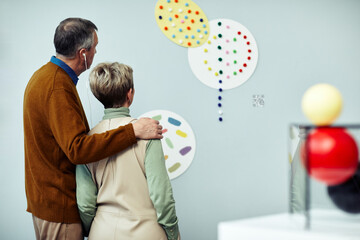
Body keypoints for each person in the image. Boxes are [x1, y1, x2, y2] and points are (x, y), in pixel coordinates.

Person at [23, 18, 162, 240]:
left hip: (49, 202)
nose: (96, 51)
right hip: (59, 207)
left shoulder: (45, 76)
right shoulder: (57, 86)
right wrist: (133, 131)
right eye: (95, 47)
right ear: (83, 53)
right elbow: (77, 150)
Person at [76, 62, 180, 240]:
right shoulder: (148, 133)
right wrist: (172, 232)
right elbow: (161, 196)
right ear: (129, 94)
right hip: (146, 232)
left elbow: (85, 204)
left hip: (102, 232)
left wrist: (92, 230)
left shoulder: (87, 141)